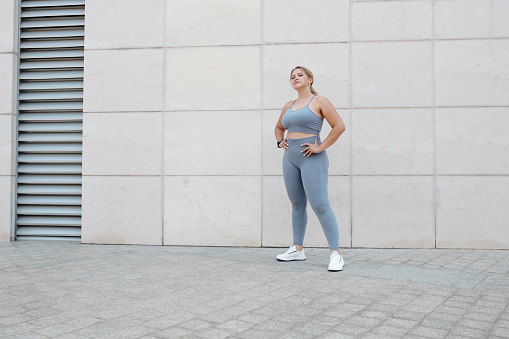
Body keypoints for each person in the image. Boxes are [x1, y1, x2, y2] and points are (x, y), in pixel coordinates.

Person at [274, 66, 346, 272]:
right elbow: (279, 127)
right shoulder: (289, 105)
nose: (295, 78)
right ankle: (297, 249)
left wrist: (320, 146)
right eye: (292, 77)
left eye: (300, 75)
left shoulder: (320, 101)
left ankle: (336, 254)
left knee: (321, 205)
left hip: (311, 158)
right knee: (297, 204)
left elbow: (339, 126)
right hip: (290, 158)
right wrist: (280, 142)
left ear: (310, 79)